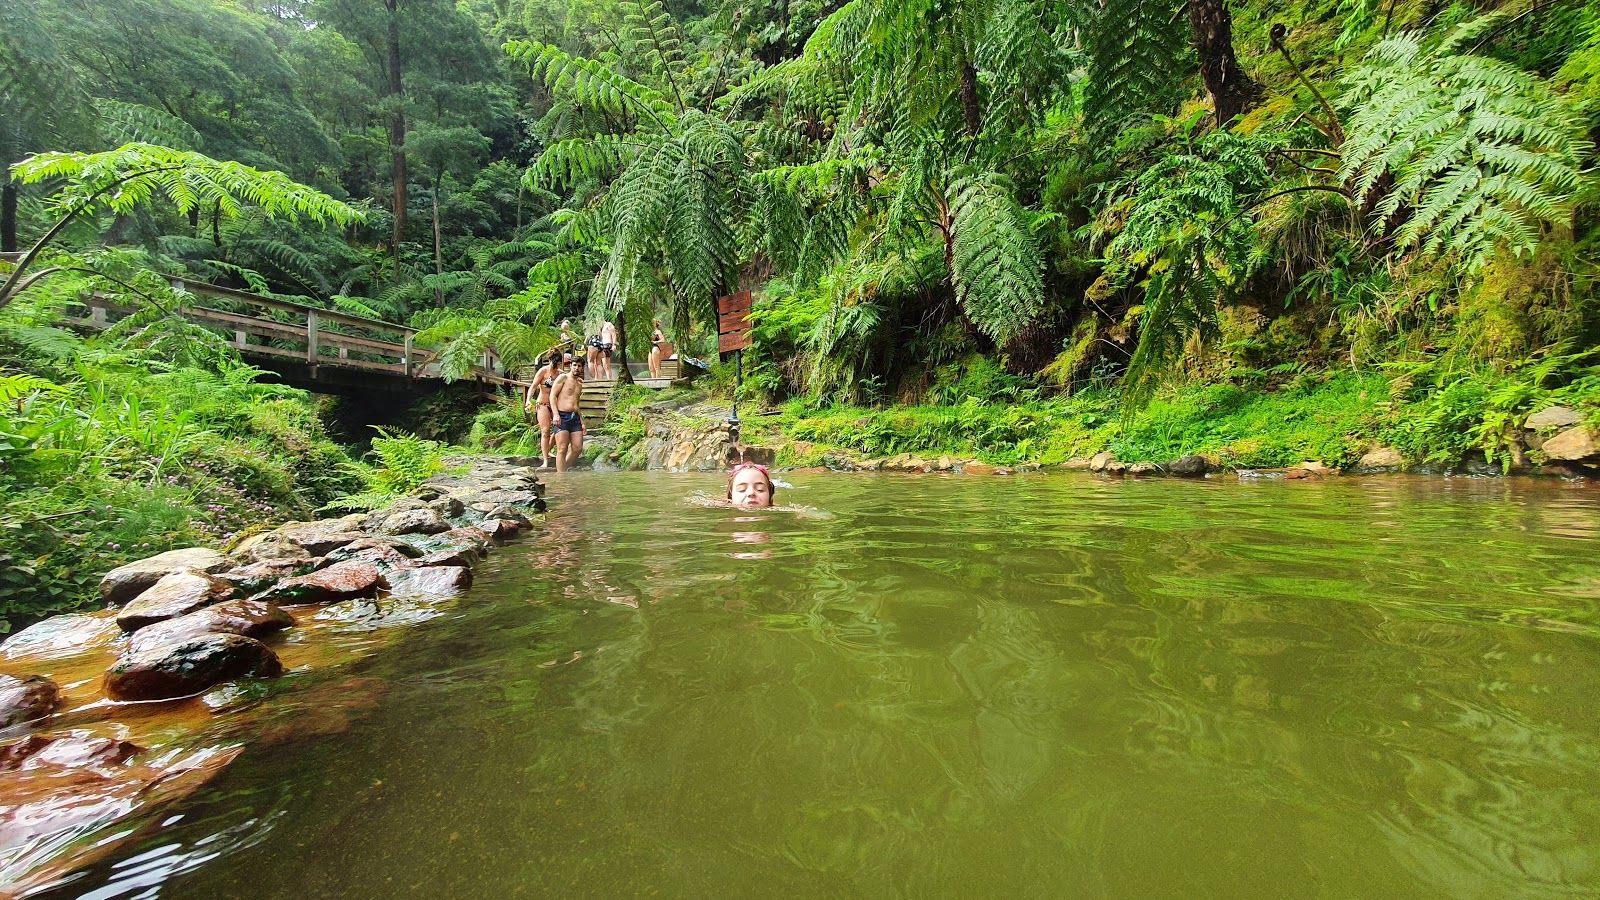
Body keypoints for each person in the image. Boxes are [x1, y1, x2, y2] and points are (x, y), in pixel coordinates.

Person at [526, 349, 563, 469]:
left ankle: (548, 449)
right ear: (551, 360)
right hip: (542, 403)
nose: (557, 365)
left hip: (555, 405)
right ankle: (545, 461)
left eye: (559, 363)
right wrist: (528, 400)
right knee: (546, 431)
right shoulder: (543, 371)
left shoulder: (561, 374)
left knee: (559, 429)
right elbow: (533, 386)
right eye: (555, 363)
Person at [549, 356, 586, 472]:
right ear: (570, 366)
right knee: (562, 448)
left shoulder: (579, 384)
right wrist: (555, 414)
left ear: (582, 368)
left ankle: (563, 469)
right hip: (562, 416)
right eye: (574, 365)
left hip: (574, 417)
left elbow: (577, 404)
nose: (576, 368)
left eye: (579, 366)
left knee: (577, 448)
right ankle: (561, 477)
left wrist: (582, 421)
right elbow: (552, 396)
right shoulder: (563, 378)